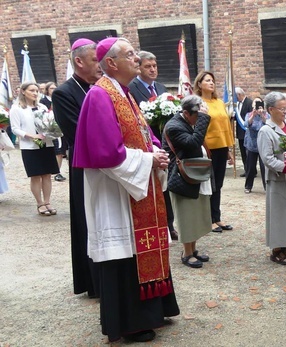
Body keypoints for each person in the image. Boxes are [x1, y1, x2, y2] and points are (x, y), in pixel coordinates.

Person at [73, 37, 179, 342]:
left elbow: (143, 134)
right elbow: (107, 153)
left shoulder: (126, 94)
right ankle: (130, 323)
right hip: (116, 192)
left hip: (135, 185)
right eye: (130, 54)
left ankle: (154, 310)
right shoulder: (100, 95)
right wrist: (148, 159)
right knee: (124, 254)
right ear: (111, 63)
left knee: (140, 249)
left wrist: (156, 152)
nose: (137, 58)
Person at [53, 38, 102, 297]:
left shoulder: (101, 87)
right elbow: (77, 131)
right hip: (84, 164)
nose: (100, 65)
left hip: (106, 162)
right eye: (95, 60)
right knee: (88, 220)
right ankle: (92, 282)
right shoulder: (63, 93)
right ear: (79, 61)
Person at [128, 50, 176, 240]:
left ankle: (169, 225)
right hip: (146, 145)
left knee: (167, 186)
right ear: (139, 68)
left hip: (165, 143)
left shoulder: (162, 88)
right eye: (147, 66)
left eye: (154, 66)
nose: (152, 70)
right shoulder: (131, 89)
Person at [163, 95, 212, 268]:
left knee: (196, 215)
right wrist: (204, 120)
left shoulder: (187, 122)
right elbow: (193, 142)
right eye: (197, 115)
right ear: (185, 112)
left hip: (193, 175)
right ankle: (187, 253)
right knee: (186, 216)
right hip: (181, 178)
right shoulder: (174, 126)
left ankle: (193, 249)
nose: (199, 119)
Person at [257, 91, 286, 265]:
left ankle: (285, 246)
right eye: (281, 108)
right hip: (277, 177)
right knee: (278, 214)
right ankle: (276, 249)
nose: (285, 112)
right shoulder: (265, 131)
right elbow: (267, 159)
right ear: (270, 109)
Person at [10, 82, 59, 216]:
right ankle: (40, 203)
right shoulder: (17, 108)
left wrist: (52, 131)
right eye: (32, 90)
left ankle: (47, 201)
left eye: (37, 91)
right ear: (23, 91)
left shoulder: (42, 107)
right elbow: (14, 129)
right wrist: (31, 135)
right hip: (29, 146)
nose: (35, 93)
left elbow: (48, 122)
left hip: (45, 143)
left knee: (47, 174)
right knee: (36, 176)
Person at [194, 71, 234, 233]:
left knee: (218, 184)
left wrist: (228, 150)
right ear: (199, 84)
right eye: (207, 80)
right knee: (208, 184)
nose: (211, 83)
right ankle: (208, 219)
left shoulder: (218, 102)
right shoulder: (198, 103)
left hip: (221, 147)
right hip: (207, 148)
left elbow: (225, 127)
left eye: (213, 81)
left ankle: (217, 217)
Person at [40, 81, 67, 182]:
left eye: (55, 88)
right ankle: (55, 171)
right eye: (51, 88)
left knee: (60, 152)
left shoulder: (59, 99)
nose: (54, 90)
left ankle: (58, 171)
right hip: (50, 129)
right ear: (47, 90)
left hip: (61, 128)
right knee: (55, 151)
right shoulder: (43, 101)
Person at [244, 97, 267, 193]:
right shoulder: (249, 114)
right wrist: (253, 116)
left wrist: (262, 115)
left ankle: (267, 187)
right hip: (252, 145)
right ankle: (248, 186)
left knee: (264, 167)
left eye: (258, 103)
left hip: (263, 145)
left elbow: (268, 124)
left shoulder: (266, 115)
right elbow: (246, 124)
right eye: (255, 103)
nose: (256, 105)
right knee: (250, 167)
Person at [235, 87, 253, 176]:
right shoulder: (237, 104)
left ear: (239, 94)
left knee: (248, 153)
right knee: (243, 153)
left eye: (235, 96)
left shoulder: (249, 103)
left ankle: (251, 170)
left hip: (248, 132)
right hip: (240, 132)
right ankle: (247, 170)